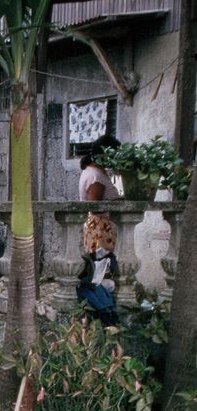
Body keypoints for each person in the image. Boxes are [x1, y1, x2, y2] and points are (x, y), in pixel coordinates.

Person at [77, 134, 122, 323]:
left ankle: (102, 306)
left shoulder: (94, 172)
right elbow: (94, 206)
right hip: (99, 228)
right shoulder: (96, 176)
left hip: (99, 227)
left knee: (100, 268)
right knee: (100, 270)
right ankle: (103, 309)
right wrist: (118, 202)